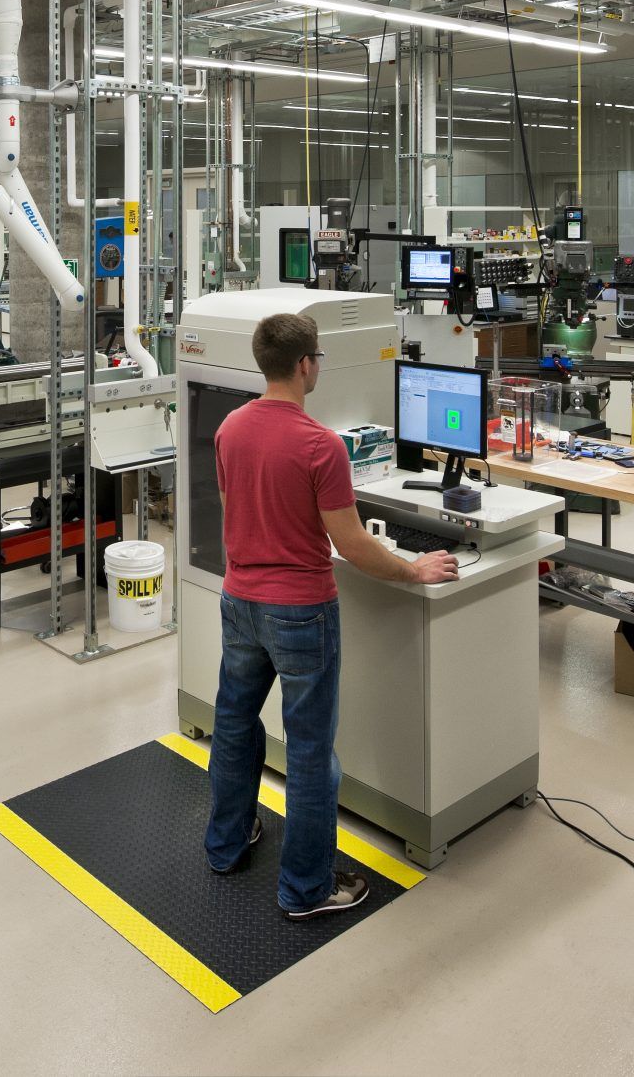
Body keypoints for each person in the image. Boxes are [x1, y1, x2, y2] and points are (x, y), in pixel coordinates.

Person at [205, 311, 456, 919]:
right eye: (316, 357)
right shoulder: (320, 446)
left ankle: (226, 843)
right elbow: (351, 545)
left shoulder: (229, 429)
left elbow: (234, 509)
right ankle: (306, 888)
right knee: (312, 752)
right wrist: (413, 569)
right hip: (300, 614)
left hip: (239, 602)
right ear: (305, 364)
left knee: (235, 727)